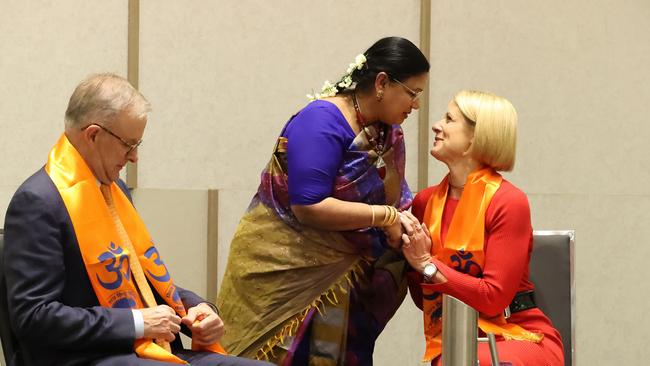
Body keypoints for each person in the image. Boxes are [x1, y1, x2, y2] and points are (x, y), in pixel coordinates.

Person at [3, 73, 272, 366]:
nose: (134, 158)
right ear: (93, 135)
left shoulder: (113, 189)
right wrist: (137, 322)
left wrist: (198, 310)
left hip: (142, 349)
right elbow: (34, 317)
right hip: (84, 357)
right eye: (128, 144)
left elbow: (142, 280)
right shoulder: (38, 201)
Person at [217, 37, 430, 365]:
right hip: (286, 273)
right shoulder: (322, 120)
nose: (416, 105)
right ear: (382, 83)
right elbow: (308, 206)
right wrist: (386, 217)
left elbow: (394, 195)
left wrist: (399, 220)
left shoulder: (385, 131)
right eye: (413, 93)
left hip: (348, 280)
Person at [399, 90, 564, 365]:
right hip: (456, 339)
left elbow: (492, 298)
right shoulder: (425, 201)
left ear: (475, 138)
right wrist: (410, 259)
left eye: (449, 119)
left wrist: (427, 264)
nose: (436, 125)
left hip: (519, 334)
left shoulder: (508, 201)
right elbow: (423, 299)